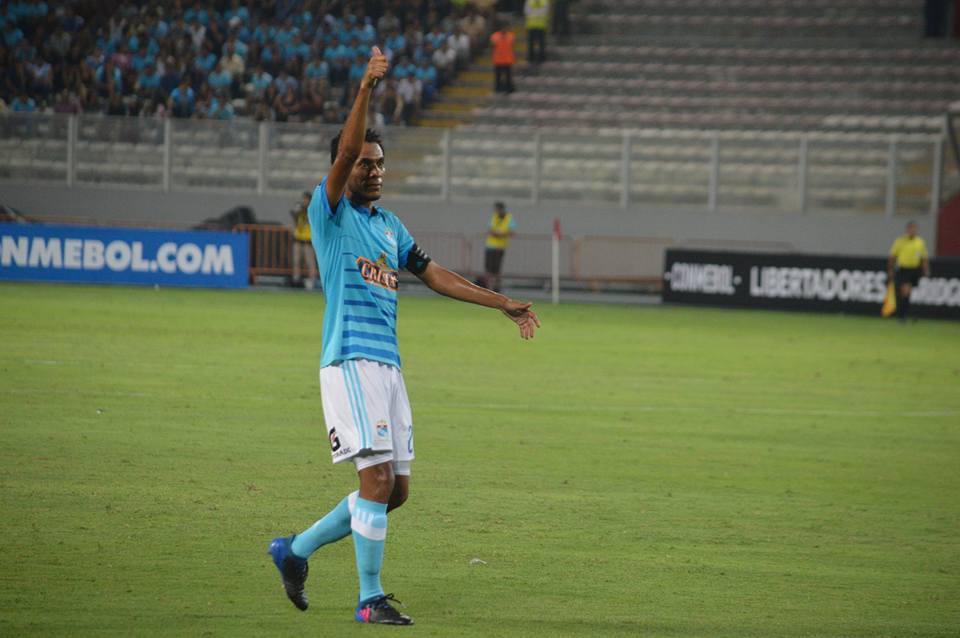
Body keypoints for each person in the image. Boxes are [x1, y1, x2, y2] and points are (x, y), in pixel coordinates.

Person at [268, 47, 540, 626]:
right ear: (344, 168)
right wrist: (366, 86)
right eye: (365, 163)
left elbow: (434, 274)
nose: (374, 171)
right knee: (376, 479)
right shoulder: (329, 212)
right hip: (350, 360)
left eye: (380, 164)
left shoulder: (390, 227)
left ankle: (295, 550)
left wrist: (499, 302)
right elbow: (346, 149)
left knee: (395, 492)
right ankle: (369, 600)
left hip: (388, 365)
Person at [887, 220, 930, 322]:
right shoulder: (900, 241)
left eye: (914, 228)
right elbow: (893, 256)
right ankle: (902, 315)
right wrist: (890, 269)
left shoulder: (920, 242)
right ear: (907, 230)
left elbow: (924, 258)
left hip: (914, 270)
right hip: (903, 269)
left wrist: (926, 270)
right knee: (904, 292)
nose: (912, 230)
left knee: (907, 293)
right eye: (911, 228)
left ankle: (903, 315)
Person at [483, 201, 515, 292]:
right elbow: (490, 230)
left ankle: (497, 288)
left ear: (501, 209)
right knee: (488, 269)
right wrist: (497, 233)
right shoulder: (494, 217)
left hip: (500, 247)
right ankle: (488, 288)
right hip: (490, 246)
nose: (495, 211)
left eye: (497, 209)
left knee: (497, 270)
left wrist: (501, 234)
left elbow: (512, 232)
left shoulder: (509, 218)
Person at [290, 190, 317, 289]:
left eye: (306, 199)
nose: (304, 201)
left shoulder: (313, 209)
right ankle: (296, 279)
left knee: (310, 262)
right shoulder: (300, 208)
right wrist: (297, 211)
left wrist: (306, 209)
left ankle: (312, 280)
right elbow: (295, 218)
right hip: (298, 238)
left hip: (308, 240)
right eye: (303, 199)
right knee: (296, 261)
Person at [490, 21, 515, 94]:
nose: (504, 29)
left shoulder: (511, 35)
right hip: (498, 59)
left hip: (508, 59)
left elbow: (512, 43)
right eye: (503, 27)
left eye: (505, 27)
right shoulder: (494, 36)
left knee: (508, 76)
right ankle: (498, 88)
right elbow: (493, 44)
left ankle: (509, 88)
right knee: (498, 76)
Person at [524, 0, 549, 65]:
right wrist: (538, 12)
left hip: (541, 25)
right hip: (532, 25)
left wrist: (534, 12)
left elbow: (545, 11)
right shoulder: (529, 1)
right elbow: (526, 11)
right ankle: (531, 57)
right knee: (531, 43)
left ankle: (541, 58)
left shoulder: (544, 1)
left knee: (541, 43)